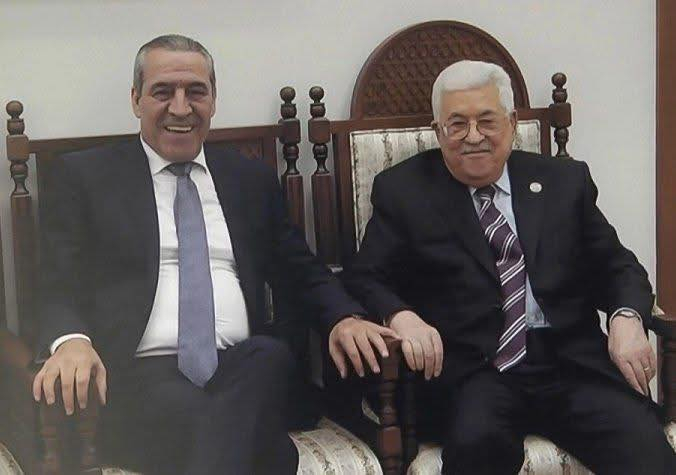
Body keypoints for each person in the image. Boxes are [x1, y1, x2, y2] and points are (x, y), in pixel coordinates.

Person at [31, 34, 397, 475]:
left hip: (244, 369)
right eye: (163, 92)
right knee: (256, 443)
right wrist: (71, 340)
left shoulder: (249, 179)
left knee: (268, 357)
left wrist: (344, 318)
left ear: (214, 99)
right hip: (143, 376)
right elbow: (54, 281)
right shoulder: (85, 177)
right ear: (135, 99)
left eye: (195, 92)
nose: (180, 108)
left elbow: (300, 269)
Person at [342, 60, 675, 474]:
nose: (473, 136)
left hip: (570, 364)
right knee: (478, 447)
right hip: (475, 372)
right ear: (437, 131)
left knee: (647, 453)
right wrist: (400, 315)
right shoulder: (403, 190)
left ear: (512, 123)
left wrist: (626, 317)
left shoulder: (563, 181)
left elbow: (617, 265)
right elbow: (364, 275)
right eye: (457, 124)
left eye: (487, 121)